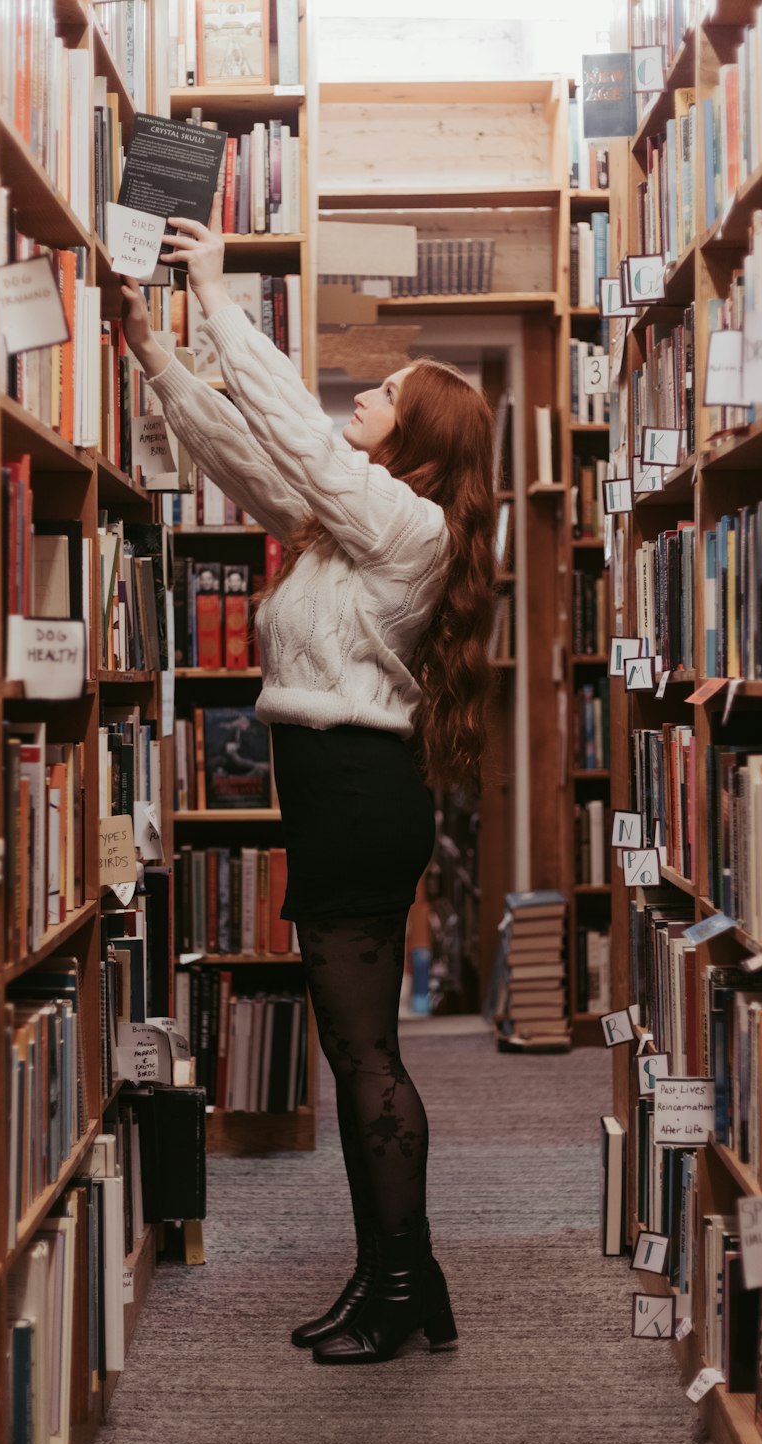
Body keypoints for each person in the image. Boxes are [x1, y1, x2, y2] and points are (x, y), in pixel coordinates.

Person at [120, 217, 498, 1365]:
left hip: (355, 791)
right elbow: (253, 457)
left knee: (365, 1053)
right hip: (334, 788)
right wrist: (155, 350)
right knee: (359, 1048)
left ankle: (396, 1281)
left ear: (419, 432)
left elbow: (303, 442)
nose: (360, 400)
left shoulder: (407, 524)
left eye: (383, 393)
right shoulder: (344, 531)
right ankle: (401, 1272)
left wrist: (225, 297)